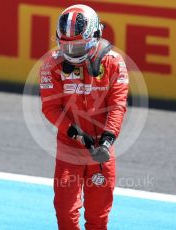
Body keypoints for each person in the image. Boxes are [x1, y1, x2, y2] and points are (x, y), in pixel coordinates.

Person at [39, 4, 129, 230]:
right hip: (69, 146)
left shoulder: (114, 63)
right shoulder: (51, 64)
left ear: (95, 36)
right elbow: (50, 107)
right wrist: (76, 134)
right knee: (65, 213)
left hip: (101, 150)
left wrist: (106, 141)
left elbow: (118, 106)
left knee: (98, 217)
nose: (72, 53)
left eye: (79, 47)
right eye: (67, 46)